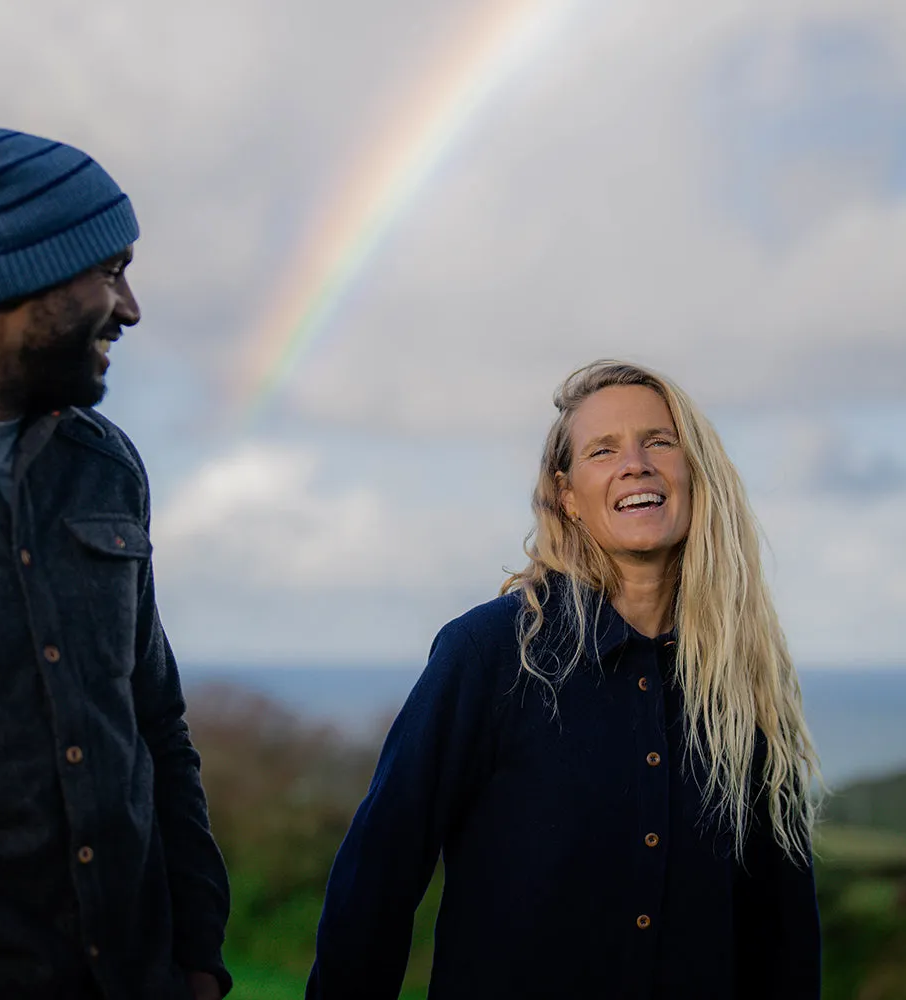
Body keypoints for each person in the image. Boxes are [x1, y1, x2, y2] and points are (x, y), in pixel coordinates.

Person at [306, 360, 822, 999]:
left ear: (697, 473)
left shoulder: (741, 679)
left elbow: (784, 928)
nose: (635, 463)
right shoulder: (488, 653)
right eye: (602, 450)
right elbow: (377, 876)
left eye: (659, 441)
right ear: (567, 496)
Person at [0, 128, 230, 999]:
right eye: (110, 270)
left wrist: (199, 959)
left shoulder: (108, 466)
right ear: (14, 274)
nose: (132, 307)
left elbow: (155, 725)